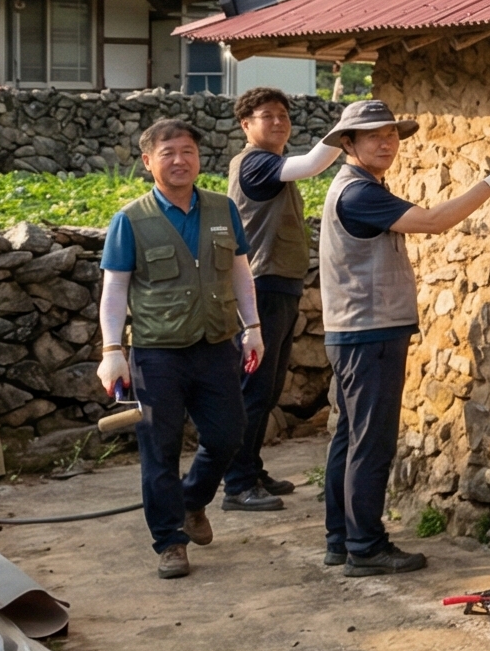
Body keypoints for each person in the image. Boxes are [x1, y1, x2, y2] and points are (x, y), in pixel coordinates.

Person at [318, 99, 490, 577]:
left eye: (390, 133)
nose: (386, 142)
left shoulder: (357, 187)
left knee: (350, 439)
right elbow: (432, 221)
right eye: (373, 136)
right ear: (347, 143)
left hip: (354, 331)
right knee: (371, 443)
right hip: (368, 331)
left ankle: (341, 539)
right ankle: (365, 546)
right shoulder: (359, 194)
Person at [96, 120, 266, 580]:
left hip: (216, 344)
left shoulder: (222, 209)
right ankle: (170, 541)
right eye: (167, 152)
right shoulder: (131, 219)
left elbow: (239, 273)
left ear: (198, 157)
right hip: (157, 352)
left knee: (229, 435)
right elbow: (114, 292)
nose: (179, 160)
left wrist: (252, 327)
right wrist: (113, 350)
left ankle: (193, 500)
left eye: (187, 151)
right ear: (148, 161)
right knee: (160, 450)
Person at [221, 87, 341, 510]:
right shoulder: (255, 164)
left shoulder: (271, 165)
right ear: (246, 125)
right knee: (254, 387)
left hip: (279, 285)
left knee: (267, 387)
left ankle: (250, 468)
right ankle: (237, 484)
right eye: (267, 115)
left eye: (283, 116)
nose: (278, 122)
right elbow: (311, 164)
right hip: (260, 287)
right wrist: (348, 130)